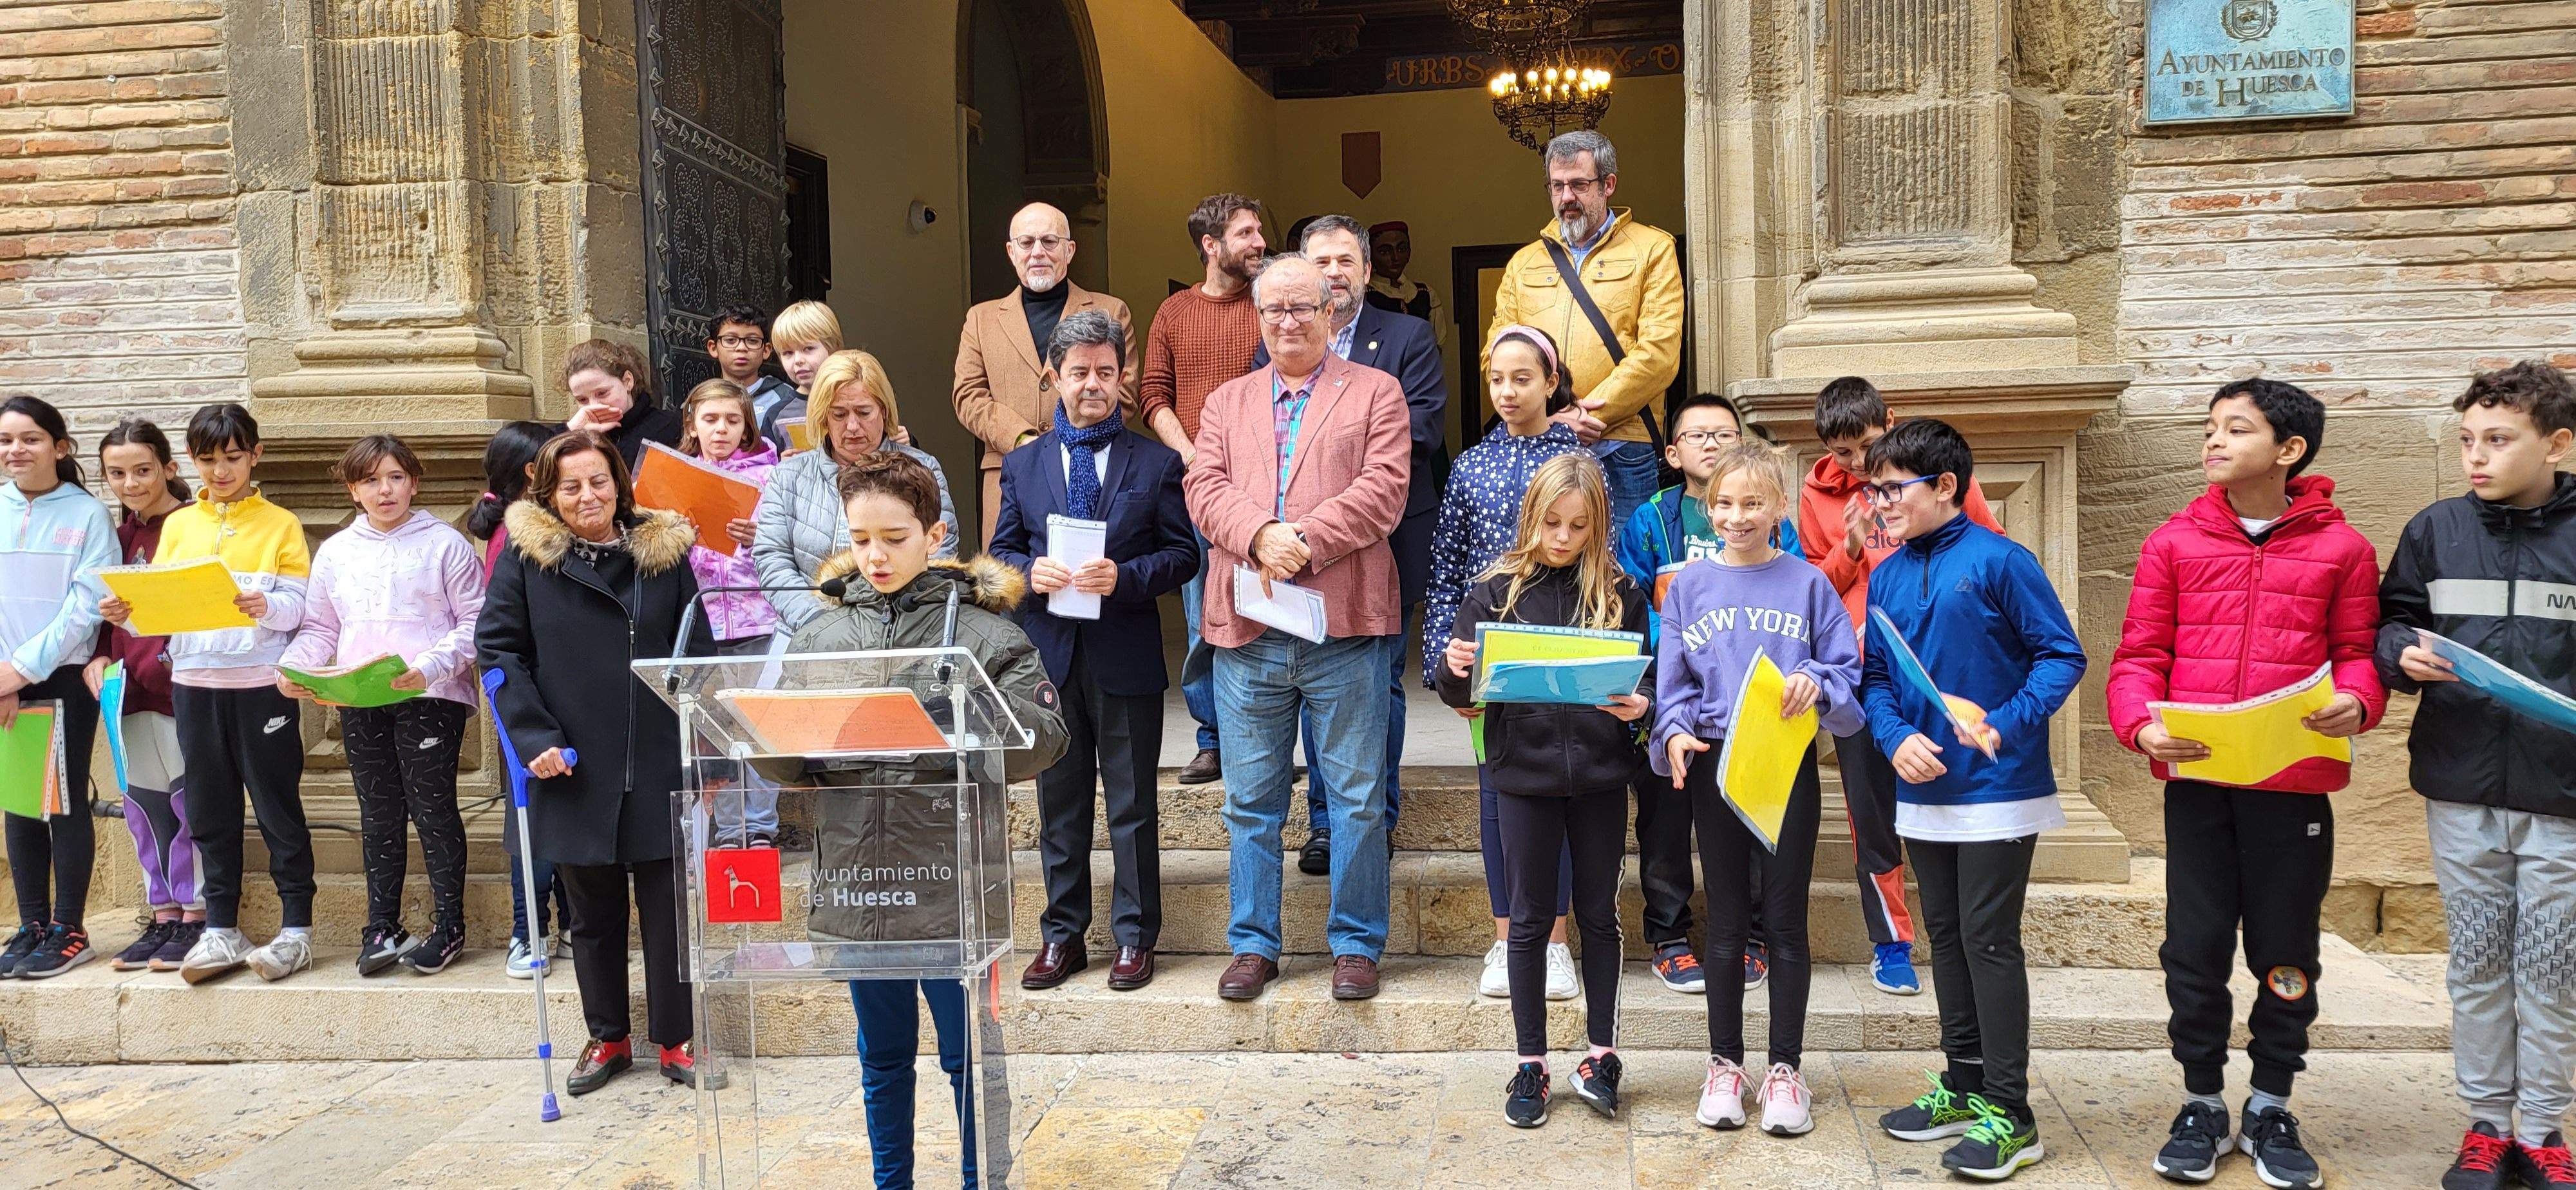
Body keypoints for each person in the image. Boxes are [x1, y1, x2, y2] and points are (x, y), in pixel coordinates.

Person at [2105, 379, 2382, 1188]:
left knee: (2285, 951)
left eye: (2235, 429)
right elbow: (2138, 655)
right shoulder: (2173, 544)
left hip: (2292, 787)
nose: (2213, 442)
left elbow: (2357, 652)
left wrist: (2357, 699)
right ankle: (2200, 1101)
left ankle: (2269, 1104)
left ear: (2288, 450)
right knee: (2192, 949)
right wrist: (2140, 726)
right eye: (2210, 428)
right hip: (2199, 783)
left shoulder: (2344, 550)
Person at [783, 450, 1068, 1190]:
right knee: (881, 1058)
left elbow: (1047, 736)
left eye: (894, 538)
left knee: (968, 1056)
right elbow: (785, 760)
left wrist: (958, 717)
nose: (874, 556)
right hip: (858, 883)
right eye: (860, 539)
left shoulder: (984, 636)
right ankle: (893, 1183)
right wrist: (764, 734)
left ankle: (982, 1179)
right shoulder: (819, 639)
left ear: (934, 535)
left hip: (951, 885)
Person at [1182, 254, 1409, 1003]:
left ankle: (1356, 944)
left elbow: (1384, 491)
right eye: (1273, 309)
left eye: (1301, 307)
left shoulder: (1375, 391)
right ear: (1258, 316)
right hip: (1249, 636)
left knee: (1355, 799)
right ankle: (1253, 944)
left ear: (1330, 312)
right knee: (1250, 802)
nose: (1287, 321)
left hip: (1342, 628)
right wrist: (1257, 536)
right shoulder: (1226, 402)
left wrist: (1302, 540)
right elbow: (1203, 488)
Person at [1862, 419, 2084, 1182]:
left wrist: (2004, 722)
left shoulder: (2001, 560)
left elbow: (2061, 655)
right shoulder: (1887, 574)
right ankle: (1962, 1086)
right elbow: (1876, 678)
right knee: (1947, 937)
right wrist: (1894, 738)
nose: (1880, 503)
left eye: (1893, 489)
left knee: (1988, 938)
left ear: (1946, 486)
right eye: (1873, 491)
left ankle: (2012, 1114)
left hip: (1998, 788)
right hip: (1923, 788)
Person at [2376, 361, 2576, 1190]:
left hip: (2563, 796)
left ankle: (2545, 1131)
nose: (2476, 457)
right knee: (2478, 962)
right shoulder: (2435, 529)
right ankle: (2488, 1125)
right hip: (2460, 786)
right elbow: (2392, 620)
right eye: (2466, 440)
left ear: (2556, 445)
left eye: (2497, 440)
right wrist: (2399, 653)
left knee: (2552, 966)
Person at [478, 430, 713, 1093]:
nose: (588, 496)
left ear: (620, 485)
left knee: (669, 911)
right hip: (569, 762)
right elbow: (498, 652)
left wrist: (706, 751)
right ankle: (608, 1037)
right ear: (548, 494)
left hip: (658, 757)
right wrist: (534, 740)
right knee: (591, 916)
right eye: (571, 486)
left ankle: (677, 1039)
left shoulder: (663, 555)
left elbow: (698, 651)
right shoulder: (526, 559)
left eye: (599, 481)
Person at [1651, 440, 1862, 1138]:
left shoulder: (1808, 584)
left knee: (1785, 918)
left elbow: (1845, 671)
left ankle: (1785, 1070)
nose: (1735, 516)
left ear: (1778, 508)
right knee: (1725, 919)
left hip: (1784, 759)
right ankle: (1724, 1066)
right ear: (1707, 508)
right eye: (1722, 503)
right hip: (1716, 763)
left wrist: (1816, 681)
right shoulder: (1688, 587)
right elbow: (1674, 685)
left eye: (1751, 503)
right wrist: (1673, 732)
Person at [1433, 452, 1650, 1128]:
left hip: (1600, 777)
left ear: (1597, 525)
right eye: (1552, 523)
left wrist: (1639, 706)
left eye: (1578, 526)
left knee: (1599, 916)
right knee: (1528, 921)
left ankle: (1602, 1055)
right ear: (1531, 516)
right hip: (1522, 777)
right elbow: (1459, 695)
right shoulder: (1493, 590)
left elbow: (1647, 680)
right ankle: (1531, 1062)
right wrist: (1453, 668)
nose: (1562, 537)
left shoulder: (1620, 592)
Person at [991, 312, 1198, 994]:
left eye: (1105, 373)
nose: (1092, 385)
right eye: (1079, 372)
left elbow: (1183, 555)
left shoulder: (1155, 462)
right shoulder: (1023, 465)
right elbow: (1000, 553)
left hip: (1125, 653)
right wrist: (1031, 573)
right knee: (1061, 802)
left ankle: (1135, 936)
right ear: (1054, 375)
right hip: (1050, 660)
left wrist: (1126, 576)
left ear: (1122, 377)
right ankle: (1063, 935)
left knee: (1133, 803)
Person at [1799, 376, 2009, 999]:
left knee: (1955, 798)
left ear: (1889, 421)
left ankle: (1971, 937)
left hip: (1941, 669)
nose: (1856, 463)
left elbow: (1989, 551)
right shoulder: (1817, 495)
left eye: (1866, 446)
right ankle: (1890, 942)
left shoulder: (1935, 473)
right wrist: (1850, 545)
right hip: (1865, 676)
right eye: (1842, 453)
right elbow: (1814, 591)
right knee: (1871, 815)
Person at [1254, 214, 1448, 876]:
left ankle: (1375, 819)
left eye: (1345, 260)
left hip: (1386, 538)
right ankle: (1324, 825)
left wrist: (1333, 467)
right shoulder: (1280, 337)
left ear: (1366, 270)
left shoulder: (1407, 336)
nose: (1333, 272)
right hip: (1296, 551)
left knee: (1378, 684)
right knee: (1313, 681)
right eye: (1321, 261)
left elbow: (1422, 429)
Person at [96, 403, 316, 985]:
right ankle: (221, 926)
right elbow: (160, 611)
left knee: (277, 808)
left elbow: (300, 608)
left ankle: (297, 930)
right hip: (194, 685)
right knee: (208, 810)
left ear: (255, 455)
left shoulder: (281, 524)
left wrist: (267, 606)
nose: (221, 471)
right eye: (208, 460)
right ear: (191, 461)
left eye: (233, 458)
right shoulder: (180, 526)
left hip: (261, 686)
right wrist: (126, 612)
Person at [1615, 392, 1804, 996]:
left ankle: (1753, 937)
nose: (1712, 444)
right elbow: (1630, 602)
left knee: (1751, 818)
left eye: (1724, 434)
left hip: (1753, 703)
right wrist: (1685, 653)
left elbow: (1795, 601)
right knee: (1665, 820)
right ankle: (1669, 938)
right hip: (1673, 696)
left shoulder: (1775, 524)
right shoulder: (1651, 519)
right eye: (1697, 435)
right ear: (1673, 453)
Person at [278, 435, 486, 978]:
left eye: (395, 477)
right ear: (353, 490)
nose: (384, 490)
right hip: (358, 697)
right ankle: (382, 926)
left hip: (427, 694)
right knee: (378, 814)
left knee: (433, 809)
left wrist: (431, 667)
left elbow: (475, 622)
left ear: (414, 482)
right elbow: (320, 626)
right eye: (370, 480)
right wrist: (294, 667)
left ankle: (449, 926)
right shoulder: (336, 551)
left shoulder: (446, 544)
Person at [1424, 325, 1586, 1002]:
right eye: (1497, 379)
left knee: (1563, 793)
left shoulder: (1580, 460)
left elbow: (1601, 561)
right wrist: (1445, 668)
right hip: (1492, 656)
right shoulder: (1470, 466)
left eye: (1523, 378)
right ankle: (1506, 937)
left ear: (1551, 381)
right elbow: (1446, 572)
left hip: (1564, 650)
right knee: (1497, 796)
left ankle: (1556, 944)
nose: (1508, 391)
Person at [1485, 129, 1683, 529]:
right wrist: (1549, 421)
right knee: (1543, 559)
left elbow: (1659, 354)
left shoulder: (1653, 249)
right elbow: (1496, 352)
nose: (1566, 198)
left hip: (1625, 445)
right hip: (1538, 443)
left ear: (1608, 185)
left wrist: (1582, 414)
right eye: (1557, 186)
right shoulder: (1523, 263)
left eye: (1579, 184)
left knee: (1625, 562)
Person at [1142, 193, 1267, 786]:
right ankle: (1212, 740)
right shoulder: (1173, 312)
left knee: (1271, 613)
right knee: (1202, 617)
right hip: (1197, 491)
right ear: (1211, 245)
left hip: (1266, 489)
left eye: (1259, 231)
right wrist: (1193, 457)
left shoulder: (1271, 304)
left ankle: (1264, 742)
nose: (1260, 242)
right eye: (1246, 233)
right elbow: (1153, 396)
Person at [0, 397, 118, 979]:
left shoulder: (88, 515)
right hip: (1, 680)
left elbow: (86, 607)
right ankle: (32, 924)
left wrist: (21, 671)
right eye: (5, 440)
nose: (16, 450)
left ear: (60, 447)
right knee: (19, 798)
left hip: (61, 677)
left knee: (62, 799)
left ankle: (70, 928)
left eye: (30, 439)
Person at [86, 419, 204, 972]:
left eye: (142, 470)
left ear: (168, 468)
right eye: (117, 474)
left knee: (189, 806)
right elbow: (106, 616)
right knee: (143, 808)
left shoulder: (194, 526)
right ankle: (163, 914)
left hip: (183, 693)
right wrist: (100, 655)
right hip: (127, 694)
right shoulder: (118, 536)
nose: (130, 483)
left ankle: (197, 914)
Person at [953, 201, 1140, 545]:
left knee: (1092, 572)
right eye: (1026, 243)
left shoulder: (1110, 311)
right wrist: (1022, 440)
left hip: (1092, 468)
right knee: (1010, 575)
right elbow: (968, 396)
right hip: (1009, 470)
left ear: (1070, 250)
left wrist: (1065, 444)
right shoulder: (981, 319)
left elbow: (1124, 391)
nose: (1038, 252)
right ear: (1011, 252)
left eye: (1050, 241)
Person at [465, 420, 573, 979]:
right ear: (536, 472)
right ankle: (527, 929)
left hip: (569, 692)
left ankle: (572, 922)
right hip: (527, 699)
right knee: (532, 817)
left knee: (573, 804)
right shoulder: (516, 536)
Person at [754, 349, 961, 637]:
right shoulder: (788, 475)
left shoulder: (923, 467)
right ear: (822, 417)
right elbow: (772, 559)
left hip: (901, 632)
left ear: (884, 411)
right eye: (839, 414)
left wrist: (891, 622)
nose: (852, 426)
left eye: (864, 413)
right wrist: (817, 623)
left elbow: (941, 551)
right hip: (808, 633)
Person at [676, 379, 784, 848]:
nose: (721, 429)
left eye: (732, 420)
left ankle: (757, 828)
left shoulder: (771, 478)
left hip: (759, 620)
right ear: (692, 426)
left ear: (747, 428)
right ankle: (721, 830)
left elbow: (794, 547)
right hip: (701, 626)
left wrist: (761, 538)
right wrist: (674, 535)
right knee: (713, 730)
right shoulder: (673, 479)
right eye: (710, 420)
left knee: (759, 727)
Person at [560, 338, 683, 469]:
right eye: (582, 400)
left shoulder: (671, 426)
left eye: (602, 393)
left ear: (628, 381)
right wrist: (570, 431)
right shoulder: (580, 435)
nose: (594, 406)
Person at [703, 303, 804, 453]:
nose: (741, 348)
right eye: (731, 340)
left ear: (766, 350)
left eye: (752, 341)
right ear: (713, 348)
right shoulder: (701, 400)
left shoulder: (786, 397)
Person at [1365, 220, 1444, 350]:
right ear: (1370, 255)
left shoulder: (1426, 293)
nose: (1395, 257)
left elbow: (1436, 343)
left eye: (1401, 249)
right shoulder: (1364, 296)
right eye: (1385, 252)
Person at [772, 298, 842, 395]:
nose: (798, 360)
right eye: (788, 353)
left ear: (833, 348)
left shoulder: (858, 398)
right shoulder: (782, 406)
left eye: (808, 349)